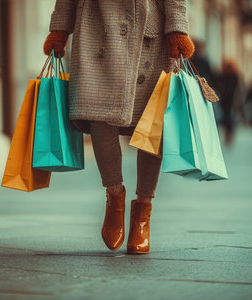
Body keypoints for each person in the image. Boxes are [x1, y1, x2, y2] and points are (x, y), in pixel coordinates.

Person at [44, 0, 194, 254]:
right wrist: (61, 27)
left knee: (153, 121)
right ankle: (115, 195)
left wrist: (177, 27)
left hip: (148, 31)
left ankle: (142, 215)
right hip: (96, 26)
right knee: (98, 115)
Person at [217, 60, 241, 145]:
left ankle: (229, 134)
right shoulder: (229, 75)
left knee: (228, 117)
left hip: (228, 100)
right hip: (228, 100)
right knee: (228, 117)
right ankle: (229, 134)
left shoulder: (232, 76)